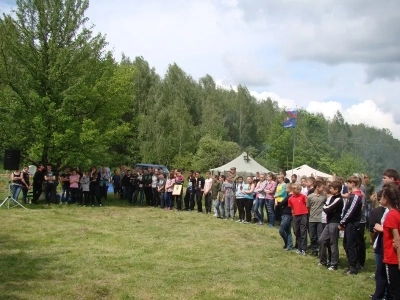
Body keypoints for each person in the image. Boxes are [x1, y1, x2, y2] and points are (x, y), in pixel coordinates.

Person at [377, 183, 400, 299]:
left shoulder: (391, 215)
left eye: (382, 197)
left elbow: (397, 239)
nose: (380, 199)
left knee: (393, 291)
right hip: (394, 257)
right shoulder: (396, 213)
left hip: (392, 258)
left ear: (387, 199)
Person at [339, 176, 363, 275]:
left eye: (348, 183)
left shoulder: (356, 196)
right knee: (346, 244)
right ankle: (352, 264)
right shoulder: (352, 195)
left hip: (353, 223)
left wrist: (342, 222)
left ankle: (353, 267)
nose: (347, 184)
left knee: (351, 245)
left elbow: (350, 211)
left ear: (353, 183)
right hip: (349, 223)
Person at [318, 180, 344, 270]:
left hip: (334, 222)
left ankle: (334, 263)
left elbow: (327, 209)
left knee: (333, 243)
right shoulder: (333, 198)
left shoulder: (338, 199)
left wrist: (325, 206)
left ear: (336, 189)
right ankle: (323, 261)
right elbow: (328, 208)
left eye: (331, 188)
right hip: (329, 222)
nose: (330, 189)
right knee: (321, 240)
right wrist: (326, 206)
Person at [369, 191, 387, 300]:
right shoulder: (386, 211)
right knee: (380, 272)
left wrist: (381, 229)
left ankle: (380, 295)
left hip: (385, 245)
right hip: (380, 243)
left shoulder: (392, 212)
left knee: (381, 273)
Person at [307, 180, 326, 256]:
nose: (323, 189)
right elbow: (308, 207)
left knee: (320, 236)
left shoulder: (324, 197)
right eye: (322, 187)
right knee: (312, 236)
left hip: (320, 219)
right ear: (317, 187)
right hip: (312, 219)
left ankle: (320, 251)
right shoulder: (310, 196)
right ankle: (314, 249)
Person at [289, 183, 308, 255]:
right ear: (293, 190)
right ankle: (299, 248)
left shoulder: (303, 196)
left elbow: (306, 204)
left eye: (300, 189)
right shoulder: (290, 198)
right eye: (297, 189)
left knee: (303, 232)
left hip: (303, 215)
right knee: (297, 232)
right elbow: (291, 207)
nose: (299, 190)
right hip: (295, 216)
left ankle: (303, 249)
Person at [279, 183, 293, 251]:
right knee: (288, 231)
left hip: (287, 215)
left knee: (281, 230)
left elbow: (281, 203)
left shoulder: (290, 196)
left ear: (290, 188)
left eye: (286, 188)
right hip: (285, 214)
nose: (285, 189)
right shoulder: (288, 196)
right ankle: (289, 246)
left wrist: (280, 204)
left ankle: (287, 243)